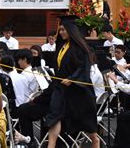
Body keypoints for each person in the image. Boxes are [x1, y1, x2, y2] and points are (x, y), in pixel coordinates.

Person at [18, 15, 99, 148]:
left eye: (63, 29)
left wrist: (72, 79)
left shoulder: (81, 48)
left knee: (88, 125)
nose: (61, 33)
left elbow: (83, 68)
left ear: (71, 29)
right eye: (59, 30)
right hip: (60, 89)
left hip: (77, 92)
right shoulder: (61, 47)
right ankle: (51, 144)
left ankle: (95, 141)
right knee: (55, 113)